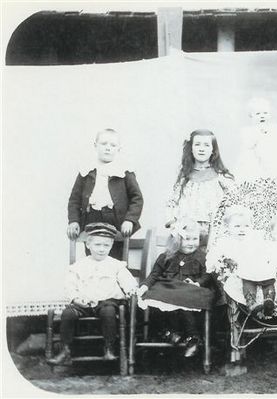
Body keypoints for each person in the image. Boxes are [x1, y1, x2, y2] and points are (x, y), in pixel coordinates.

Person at [47, 223, 138, 365]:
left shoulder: (115, 265)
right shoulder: (80, 265)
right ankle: (65, 351)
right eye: (98, 245)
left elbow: (127, 280)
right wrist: (76, 299)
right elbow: (70, 284)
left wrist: (131, 290)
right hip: (84, 302)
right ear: (88, 245)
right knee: (68, 314)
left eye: (106, 246)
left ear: (111, 246)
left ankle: (109, 348)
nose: (102, 249)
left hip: (107, 301)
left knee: (108, 312)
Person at [136, 219, 214, 357]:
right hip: (169, 288)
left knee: (186, 299)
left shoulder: (202, 257)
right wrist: (145, 286)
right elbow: (154, 275)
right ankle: (169, 333)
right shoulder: (166, 256)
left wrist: (198, 283)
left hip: (190, 290)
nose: (191, 243)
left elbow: (207, 275)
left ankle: (192, 337)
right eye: (187, 239)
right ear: (177, 240)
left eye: (195, 239)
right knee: (154, 297)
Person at [67, 128, 143, 259]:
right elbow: (74, 199)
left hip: (115, 220)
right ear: (95, 146)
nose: (108, 148)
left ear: (119, 149)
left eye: (113, 145)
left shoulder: (124, 171)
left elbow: (137, 198)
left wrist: (129, 220)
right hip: (91, 218)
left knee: (114, 260)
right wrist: (73, 221)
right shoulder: (86, 170)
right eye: (104, 144)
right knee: (93, 257)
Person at [166, 129, 234, 246]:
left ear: (213, 150)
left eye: (206, 145)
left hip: (215, 235)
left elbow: (234, 202)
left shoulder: (222, 177)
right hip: (188, 235)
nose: (201, 148)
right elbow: (171, 202)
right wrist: (174, 224)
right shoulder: (183, 176)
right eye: (197, 144)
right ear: (191, 149)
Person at [206, 205, 276, 317]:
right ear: (227, 227)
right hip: (241, 273)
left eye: (246, 226)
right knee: (247, 280)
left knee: (269, 278)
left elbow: (266, 251)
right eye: (237, 226)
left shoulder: (255, 239)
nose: (242, 229)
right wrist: (227, 260)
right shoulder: (225, 242)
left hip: (258, 269)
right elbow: (217, 256)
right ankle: (251, 303)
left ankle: (269, 300)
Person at [234, 98, 277, 184]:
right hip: (255, 159)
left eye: (265, 113)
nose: (262, 116)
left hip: (272, 157)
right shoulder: (248, 131)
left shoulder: (274, 128)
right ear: (251, 116)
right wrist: (258, 134)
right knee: (253, 173)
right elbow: (248, 145)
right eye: (258, 114)